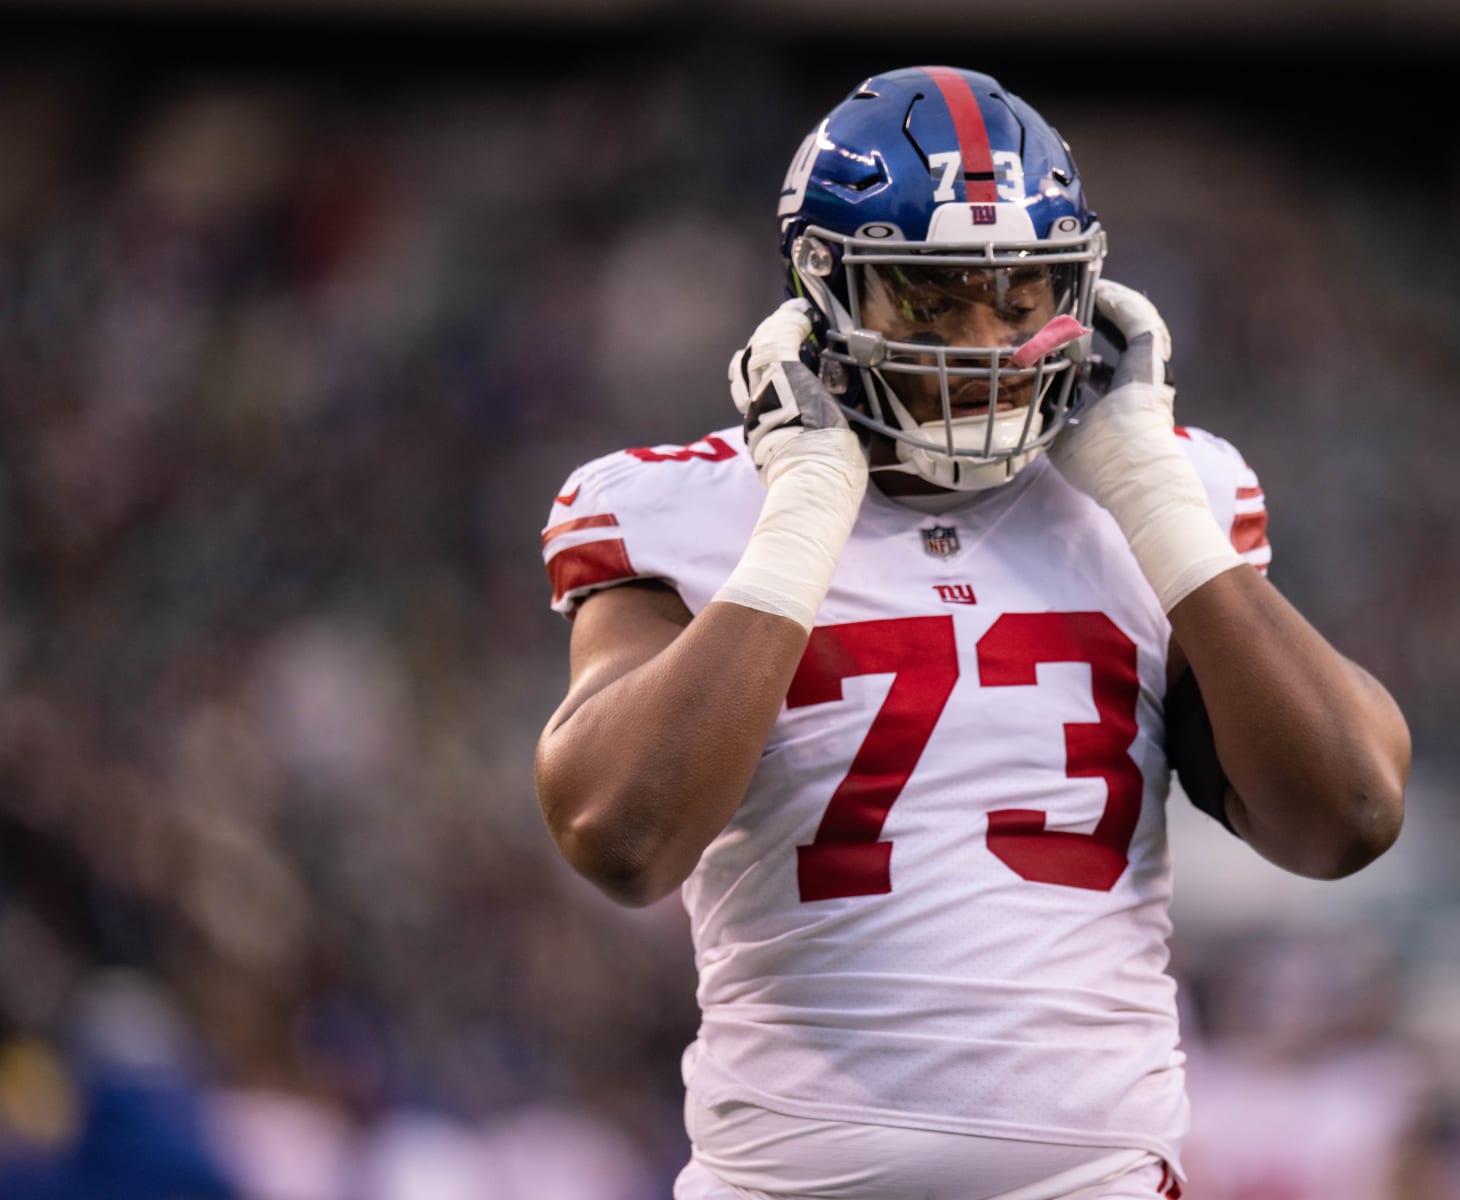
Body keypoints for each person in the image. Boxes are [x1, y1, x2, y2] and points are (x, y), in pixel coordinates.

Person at [534, 66, 1410, 1200]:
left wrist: (1153, 501)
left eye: (1022, 293)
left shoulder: (1167, 492)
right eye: (932, 298)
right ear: (826, 293)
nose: (989, 341)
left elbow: (1349, 813)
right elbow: (620, 832)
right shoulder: (688, 506)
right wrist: (803, 517)